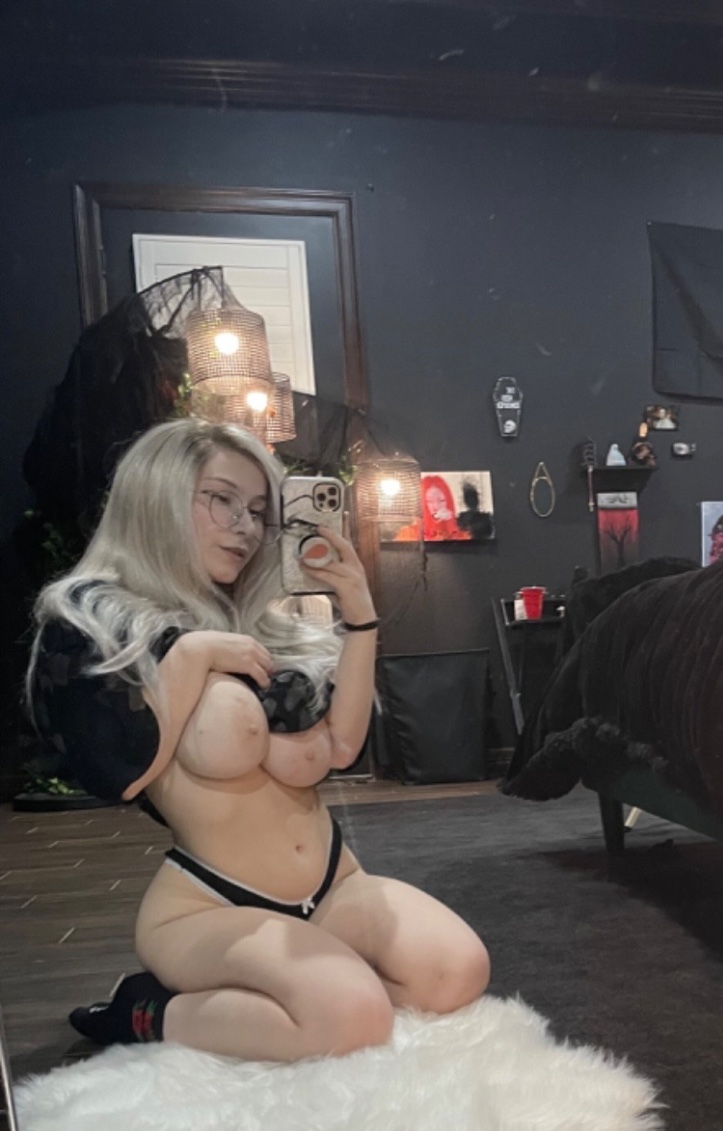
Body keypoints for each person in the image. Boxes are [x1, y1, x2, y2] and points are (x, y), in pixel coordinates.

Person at [27, 419, 490, 1060]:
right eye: (220, 500)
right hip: (209, 902)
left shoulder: (256, 624)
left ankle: (300, 995)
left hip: (335, 882)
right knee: (348, 1015)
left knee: (457, 971)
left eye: (255, 510)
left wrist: (359, 614)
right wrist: (191, 656)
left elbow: (341, 748)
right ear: (158, 496)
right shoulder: (95, 622)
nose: (244, 527)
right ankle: (143, 1011)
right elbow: (120, 774)